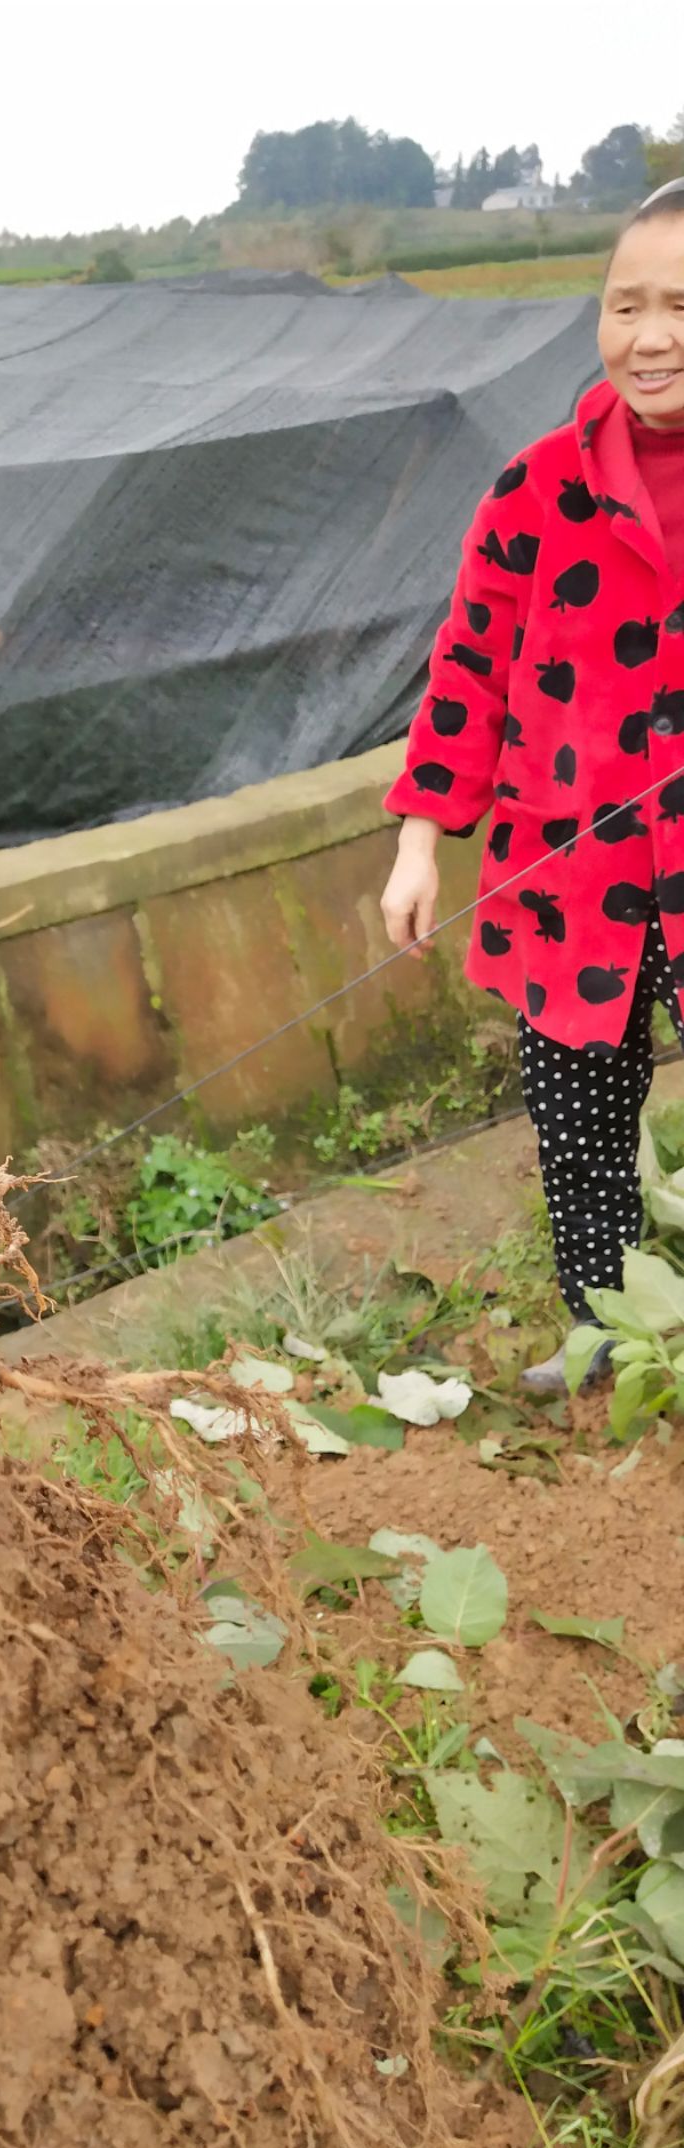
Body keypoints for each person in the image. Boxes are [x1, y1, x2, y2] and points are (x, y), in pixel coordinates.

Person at [381, 178, 684, 1394]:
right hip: (571, 882)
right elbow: (466, 676)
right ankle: (609, 1326)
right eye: (624, 306)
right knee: (578, 1121)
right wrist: (417, 844)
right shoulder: (536, 491)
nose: (649, 335)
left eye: (678, 306)